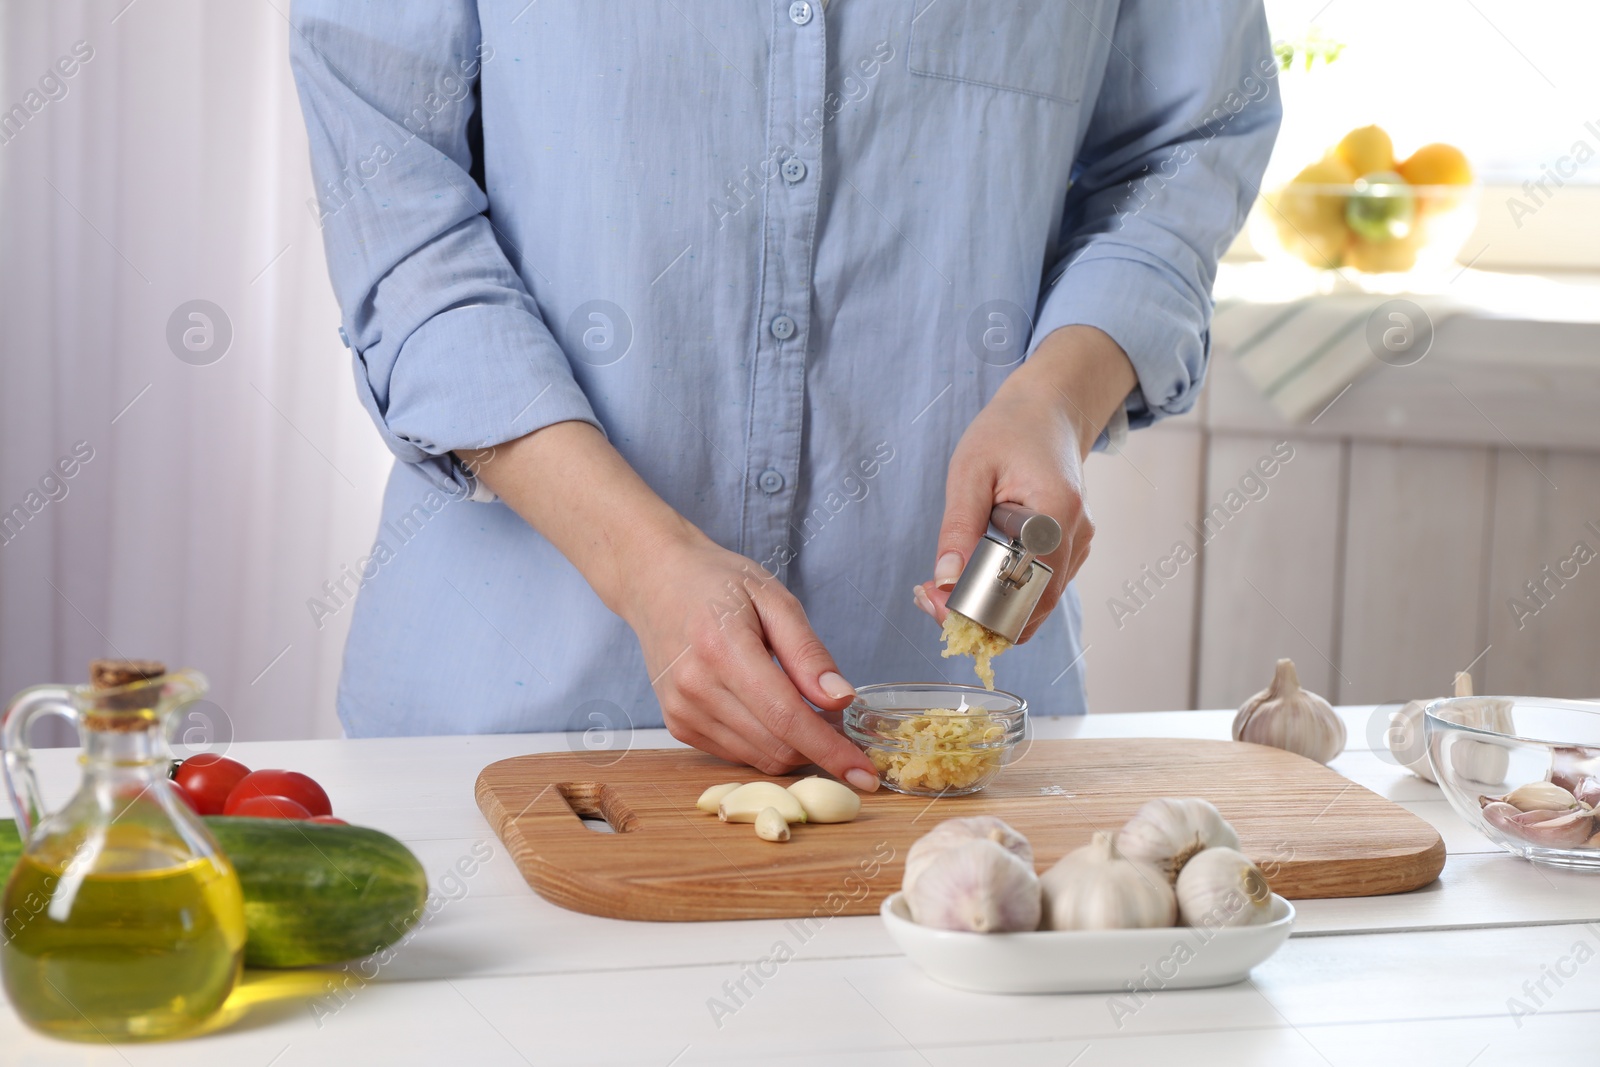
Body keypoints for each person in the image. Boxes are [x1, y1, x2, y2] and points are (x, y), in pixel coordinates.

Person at [289, 1, 1280, 791]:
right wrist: (641, 564)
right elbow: (401, 222)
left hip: (954, 760)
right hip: (500, 743)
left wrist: (1057, 398)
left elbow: (1188, 147)